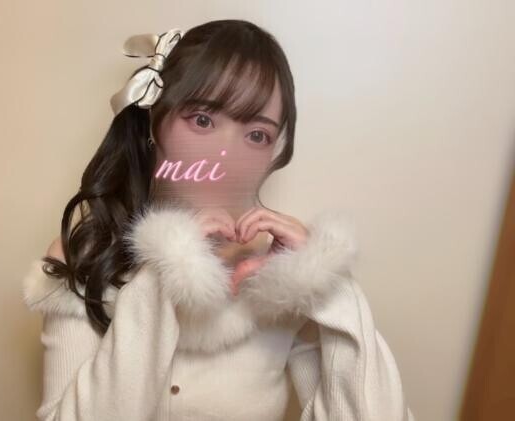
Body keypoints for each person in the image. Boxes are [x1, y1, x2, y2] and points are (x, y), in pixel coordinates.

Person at [22, 19, 416, 420]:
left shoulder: (282, 275)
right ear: (154, 122)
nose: (226, 156)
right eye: (203, 120)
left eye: (257, 135)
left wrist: (329, 283)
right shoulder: (87, 255)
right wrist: (164, 272)